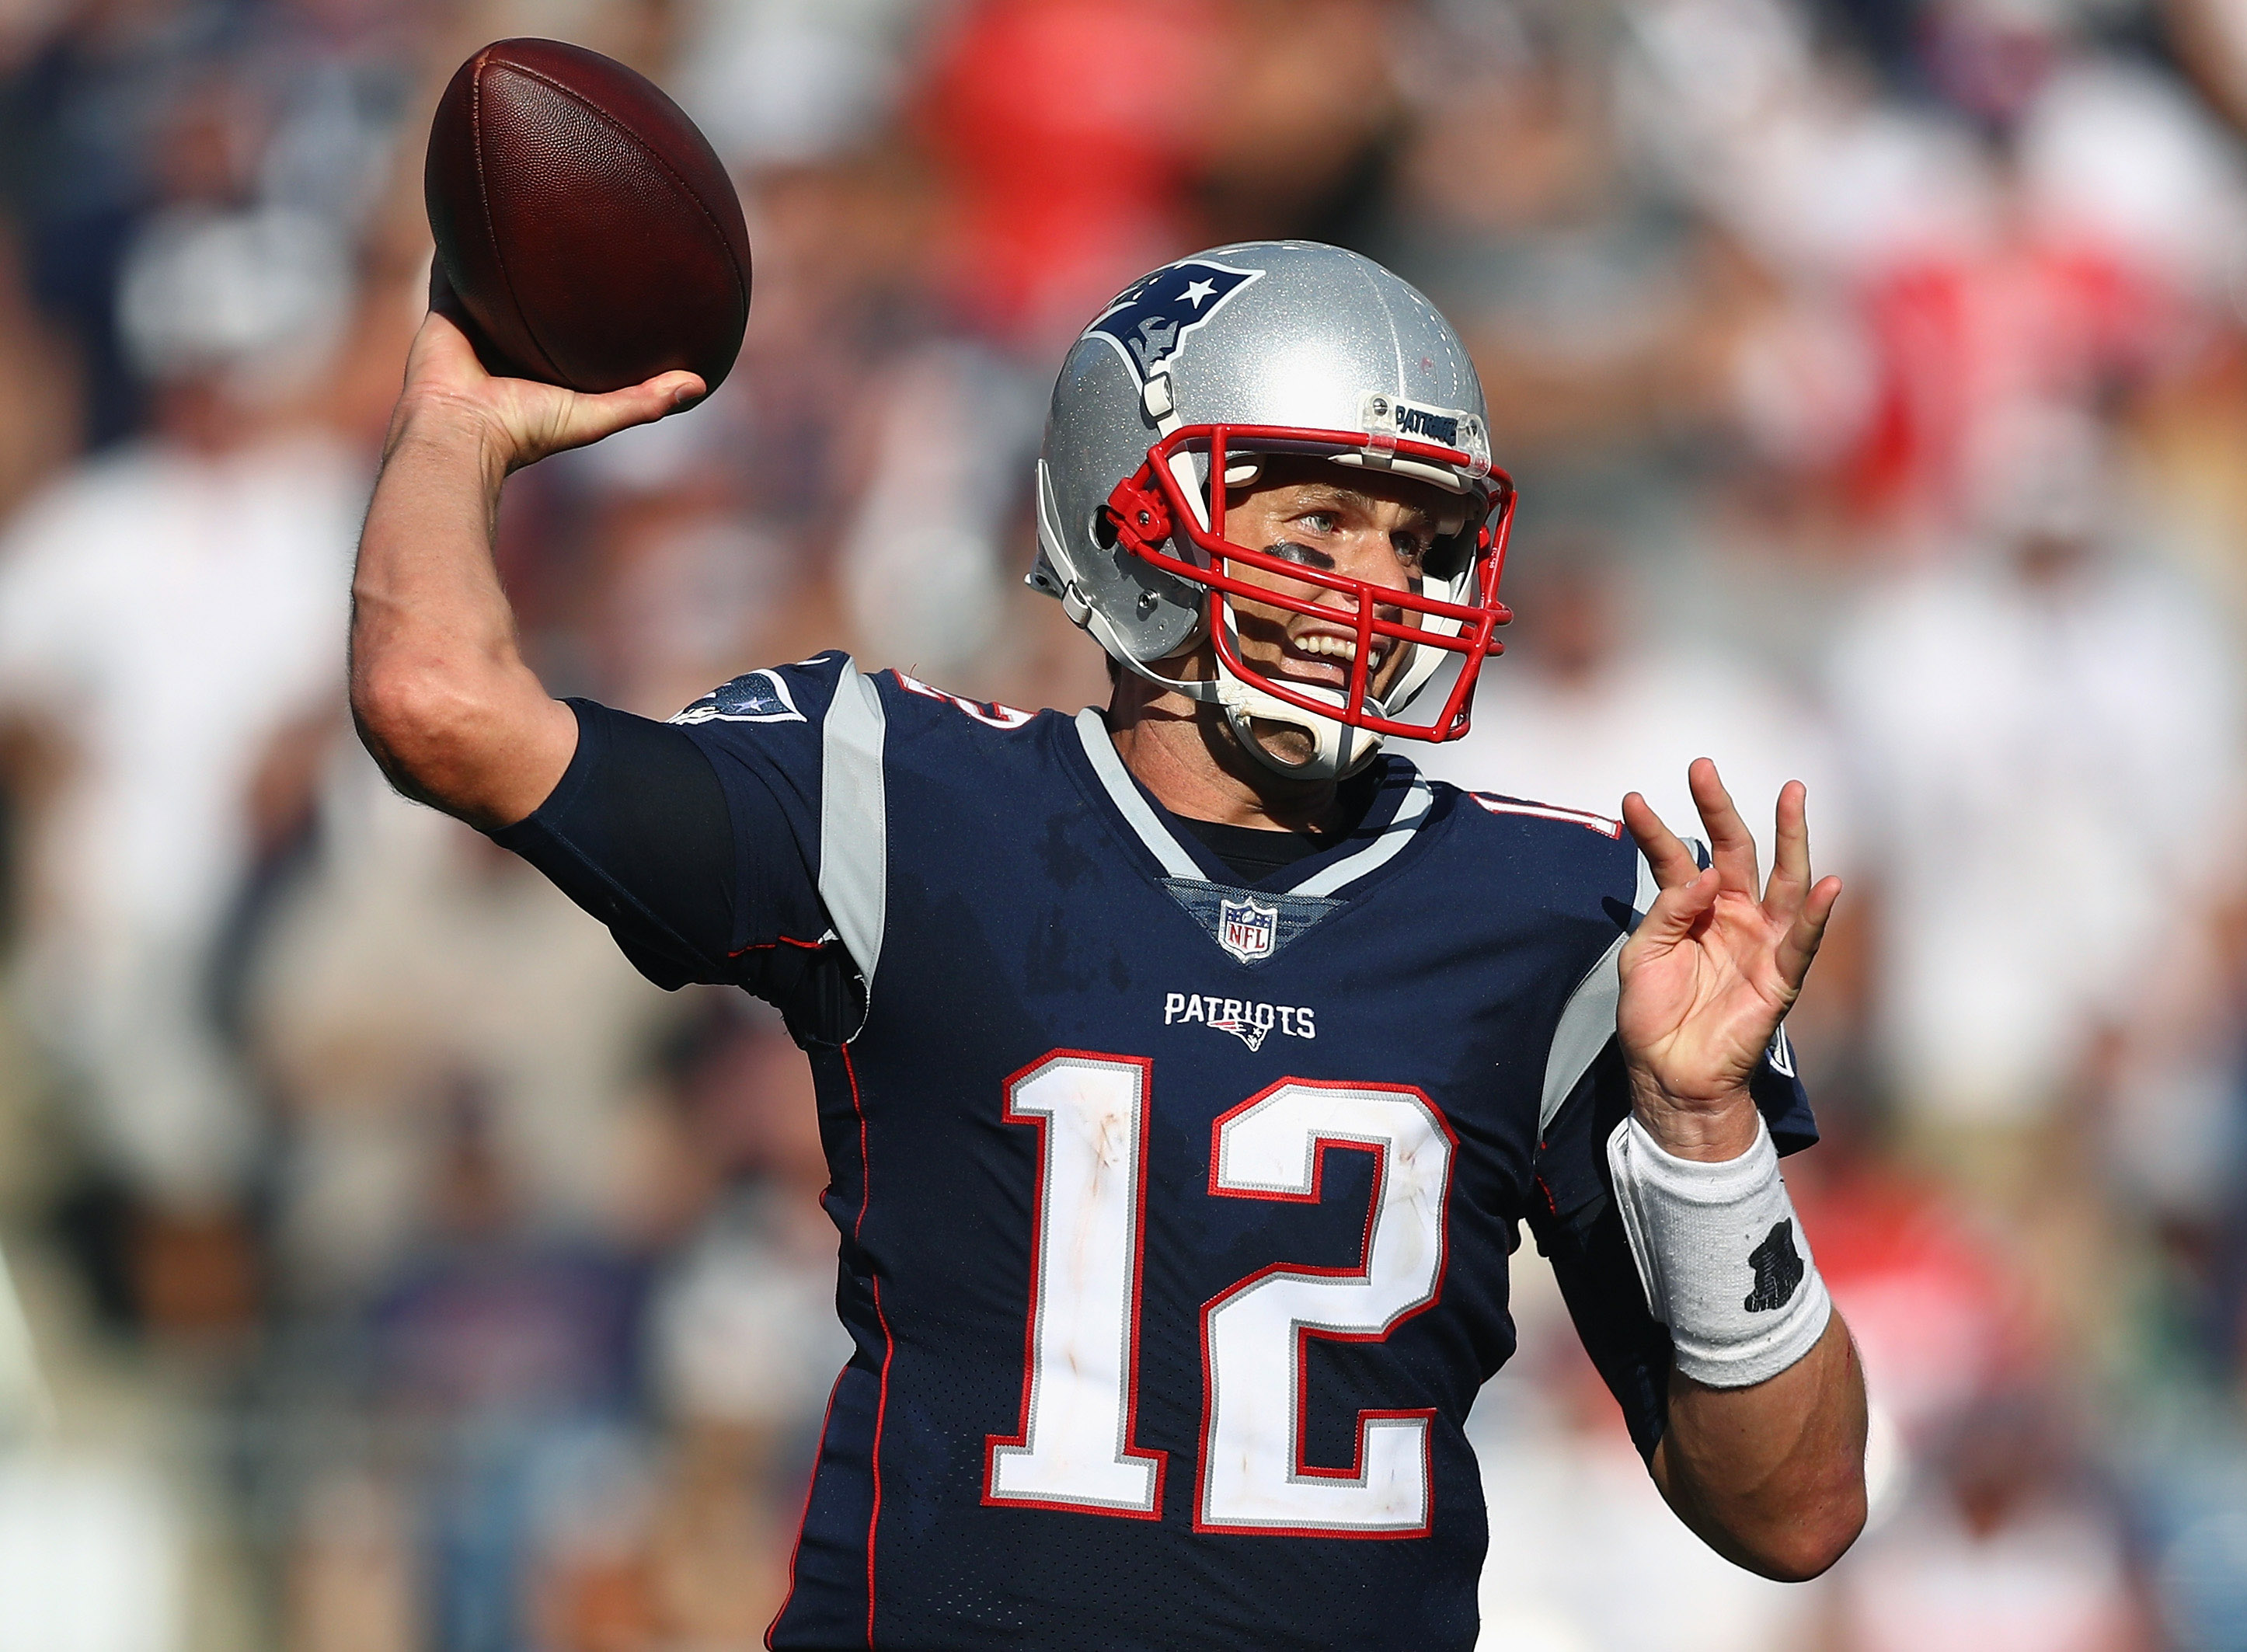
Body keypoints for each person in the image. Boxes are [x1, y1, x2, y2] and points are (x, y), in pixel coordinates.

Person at [350, 240, 1866, 1649]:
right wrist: (452, 426)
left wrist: (1704, 1132)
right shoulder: (902, 799)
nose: (1383, 587)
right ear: (1127, 502)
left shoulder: (1564, 917)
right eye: (1319, 517)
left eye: (1421, 535)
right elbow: (442, 704)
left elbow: (1792, 1511)